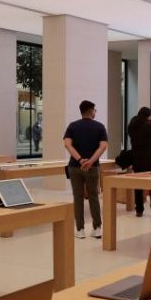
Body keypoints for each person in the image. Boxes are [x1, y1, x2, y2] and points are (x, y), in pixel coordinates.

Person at [63, 100, 108, 239]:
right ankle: (97, 228)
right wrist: (90, 161)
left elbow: (67, 144)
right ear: (91, 111)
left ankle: (80, 230)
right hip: (93, 167)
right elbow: (103, 146)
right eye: (95, 110)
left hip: (75, 166)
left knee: (78, 197)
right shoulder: (99, 126)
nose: (95, 112)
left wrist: (80, 159)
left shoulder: (72, 126)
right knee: (93, 196)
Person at [127, 107, 151, 217]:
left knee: (138, 185)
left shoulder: (133, 125)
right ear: (149, 116)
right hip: (150, 159)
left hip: (137, 159)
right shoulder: (150, 125)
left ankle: (139, 210)